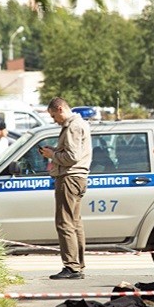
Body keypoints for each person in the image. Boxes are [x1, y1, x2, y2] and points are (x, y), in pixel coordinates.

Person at [39, 97, 92, 280]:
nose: (54, 120)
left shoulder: (73, 126)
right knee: (75, 222)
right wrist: (54, 151)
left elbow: (72, 157)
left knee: (65, 223)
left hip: (69, 177)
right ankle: (77, 264)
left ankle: (71, 266)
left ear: (60, 109)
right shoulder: (78, 124)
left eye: (54, 116)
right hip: (77, 177)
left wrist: (52, 155)